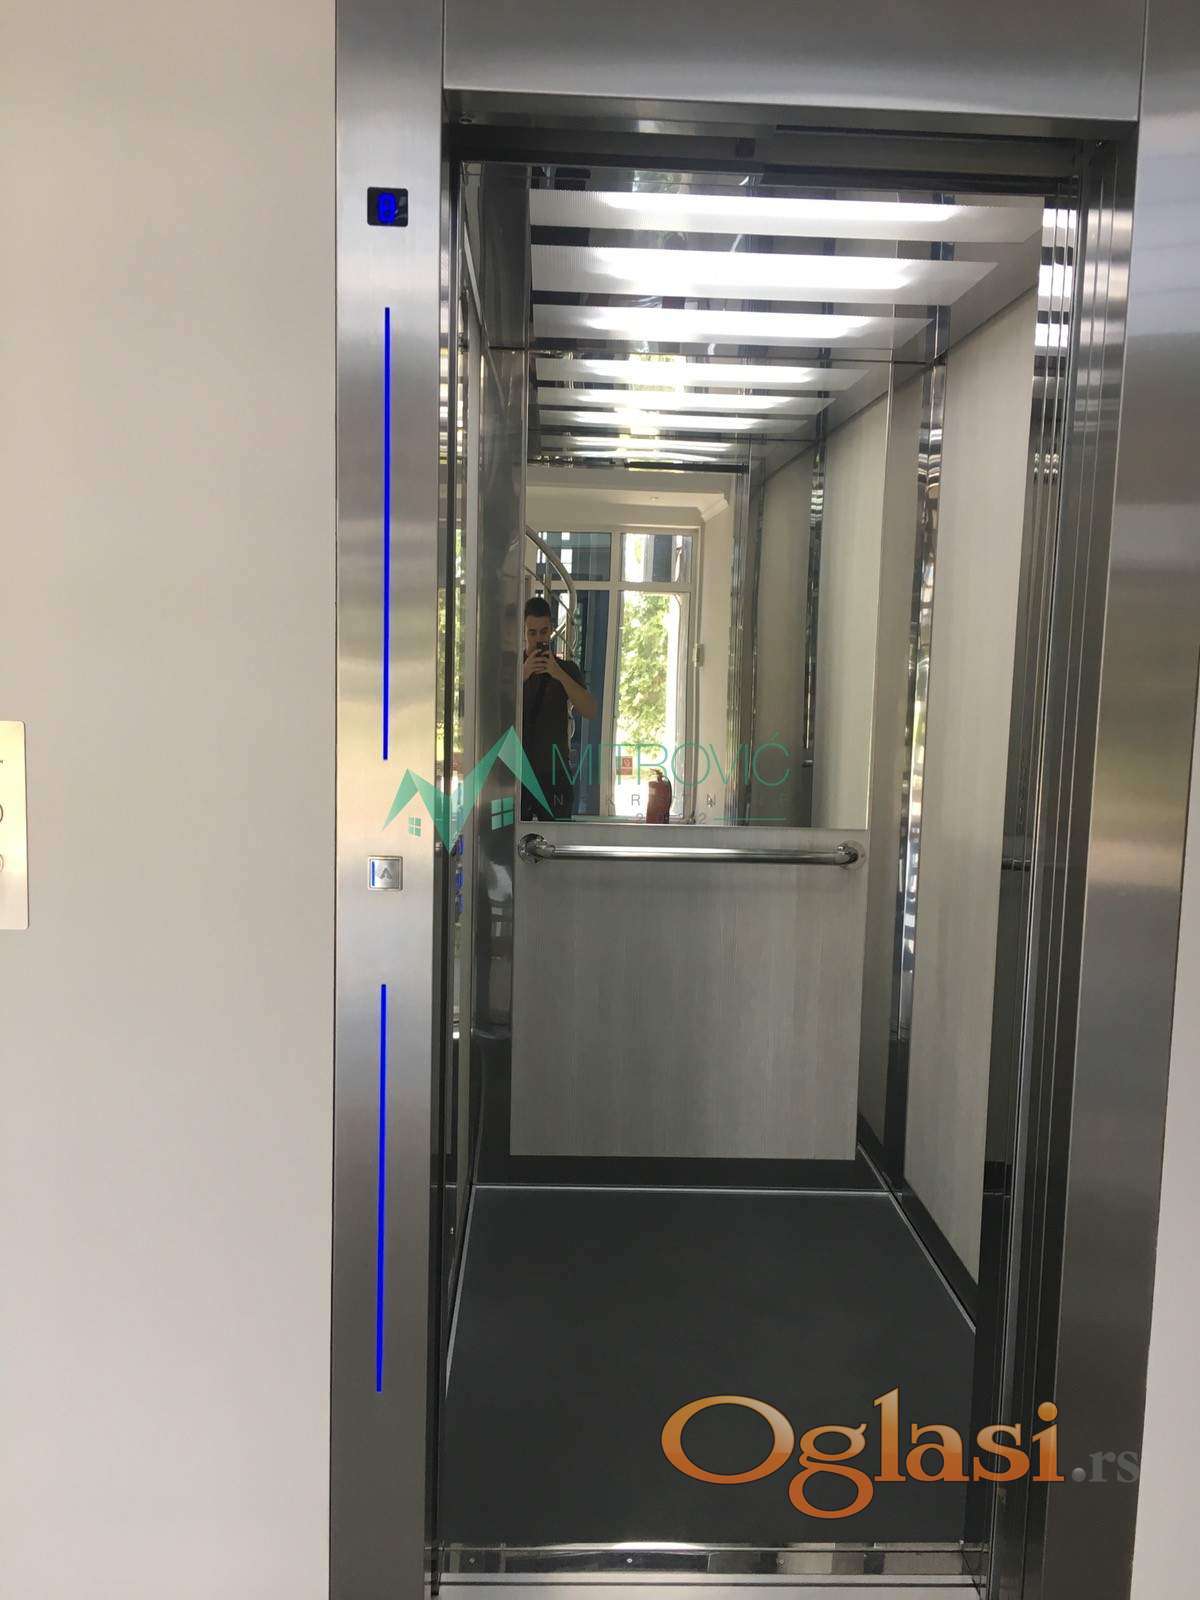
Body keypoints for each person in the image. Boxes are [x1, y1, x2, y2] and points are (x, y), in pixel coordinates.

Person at [520, 595, 597, 820]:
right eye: (532, 633)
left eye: (543, 632)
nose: (538, 639)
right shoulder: (511, 668)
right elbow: (493, 710)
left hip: (554, 774)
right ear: (523, 632)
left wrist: (558, 674)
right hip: (517, 772)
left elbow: (590, 710)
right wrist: (522, 675)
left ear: (552, 630)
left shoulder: (566, 669)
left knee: (556, 837)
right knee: (514, 837)